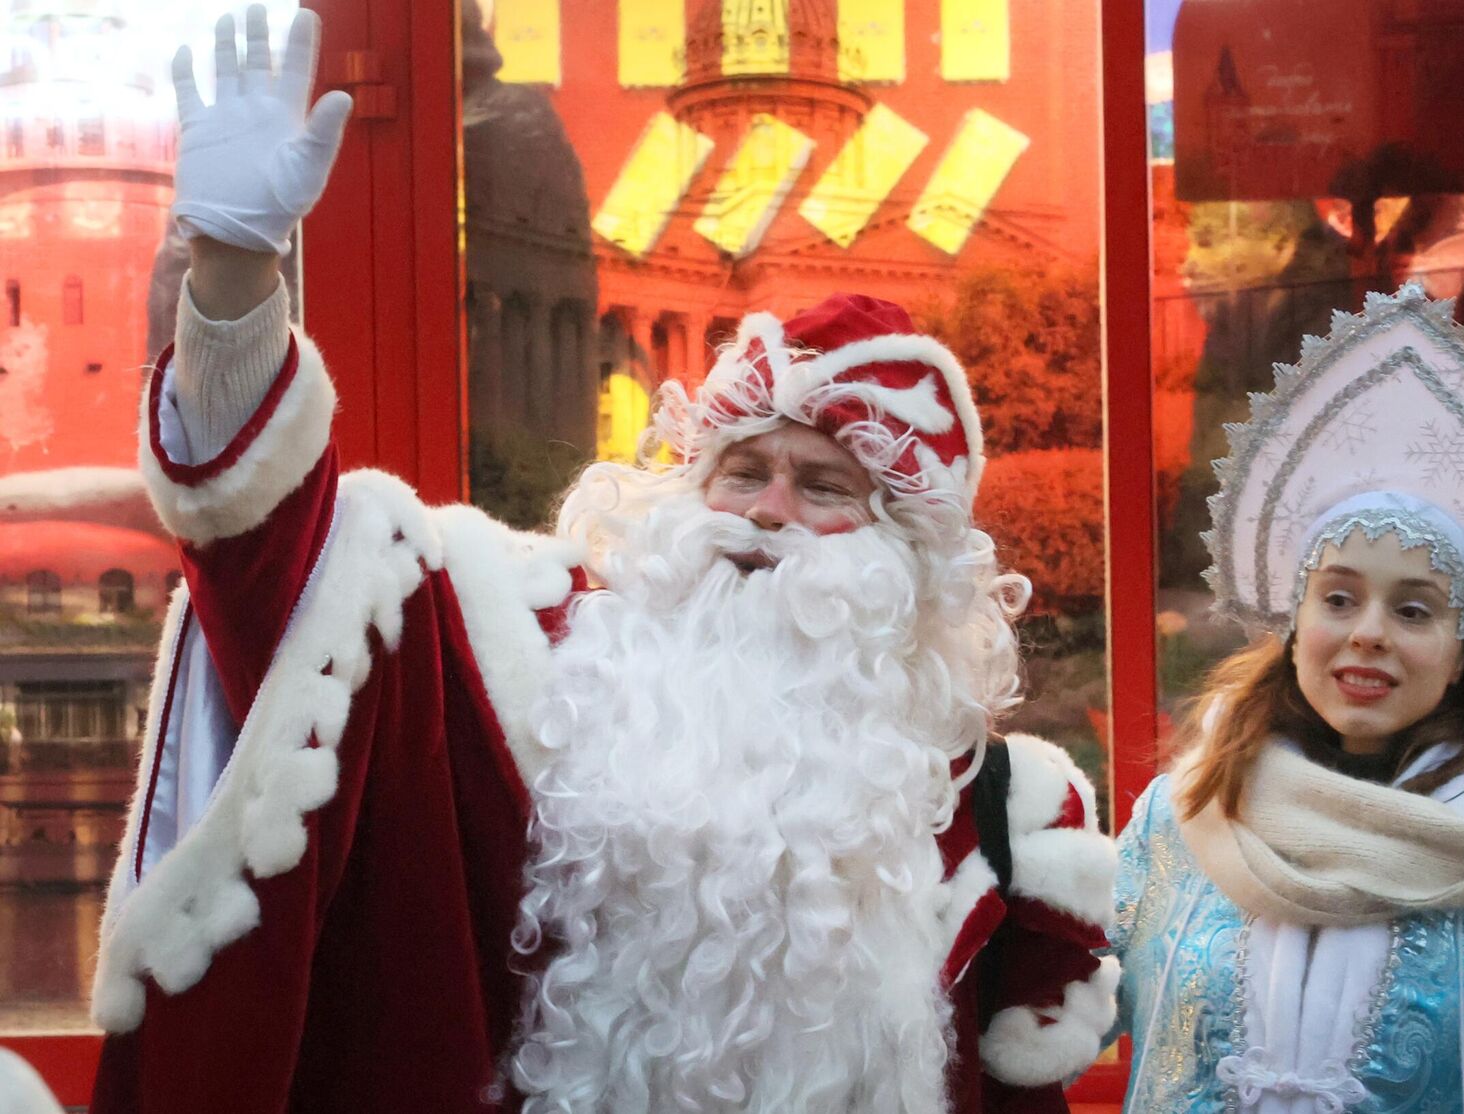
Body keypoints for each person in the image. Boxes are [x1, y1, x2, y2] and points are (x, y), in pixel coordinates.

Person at [88, 9, 1117, 1113]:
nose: (763, 513)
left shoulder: (998, 812)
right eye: (739, 470)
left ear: (903, 555)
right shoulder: (531, 670)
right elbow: (289, 593)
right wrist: (236, 277)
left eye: (822, 487)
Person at [1108, 285, 1464, 1112]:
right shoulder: (1180, 818)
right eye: (1340, 598)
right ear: (1294, 619)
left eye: (1415, 610)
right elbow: (1051, 1018)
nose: (1369, 635)